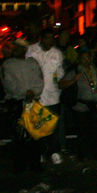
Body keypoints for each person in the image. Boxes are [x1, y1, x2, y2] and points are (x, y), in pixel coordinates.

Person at [0, 39, 44, 172]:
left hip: (32, 102)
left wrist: (33, 92)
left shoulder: (33, 63)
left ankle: (35, 164)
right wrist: (25, 93)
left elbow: (39, 80)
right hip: (17, 103)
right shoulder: (7, 64)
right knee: (18, 136)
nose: (15, 50)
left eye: (18, 48)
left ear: (24, 50)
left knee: (34, 135)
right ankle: (19, 165)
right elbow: (8, 83)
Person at [26, 29, 65, 165]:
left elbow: (59, 72)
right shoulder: (31, 50)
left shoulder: (57, 53)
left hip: (52, 95)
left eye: (52, 38)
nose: (50, 41)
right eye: (47, 38)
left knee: (53, 125)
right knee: (37, 125)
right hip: (35, 95)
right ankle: (40, 152)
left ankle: (53, 151)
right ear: (41, 38)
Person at [60, 49, 97, 160]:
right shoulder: (75, 71)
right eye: (83, 58)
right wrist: (73, 80)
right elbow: (61, 84)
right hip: (82, 107)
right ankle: (84, 154)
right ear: (79, 60)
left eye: (88, 57)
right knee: (83, 132)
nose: (86, 60)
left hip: (96, 105)